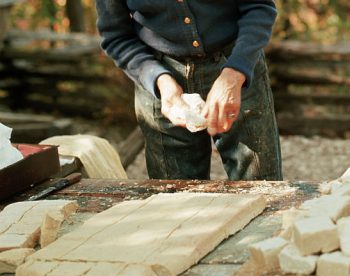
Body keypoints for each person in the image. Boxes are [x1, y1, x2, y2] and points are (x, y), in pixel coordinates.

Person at [95, 1, 282, 181]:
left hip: (236, 63)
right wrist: (160, 81)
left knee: (263, 188)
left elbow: (259, 8)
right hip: (158, 77)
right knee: (176, 198)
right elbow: (116, 36)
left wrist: (234, 74)